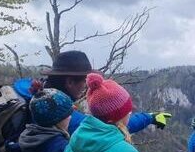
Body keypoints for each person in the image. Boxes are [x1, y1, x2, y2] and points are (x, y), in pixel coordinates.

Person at [38, 50, 172, 134]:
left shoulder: (39, 102)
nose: (85, 86)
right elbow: (111, 126)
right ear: (70, 82)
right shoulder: (64, 117)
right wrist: (149, 117)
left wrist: (149, 117)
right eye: (83, 81)